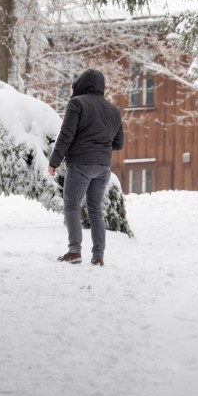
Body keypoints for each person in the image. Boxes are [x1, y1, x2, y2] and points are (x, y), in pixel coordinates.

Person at [47, 68, 124, 266]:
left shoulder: (77, 103)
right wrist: (101, 144)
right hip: (103, 167)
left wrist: (54, 161)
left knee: (71, 206)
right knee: (95, 210)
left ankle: (74, 251)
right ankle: (98, 256)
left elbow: (66, 136)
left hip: (81, 164)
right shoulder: (113, 110)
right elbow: (118, 143)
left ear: (82, 84)